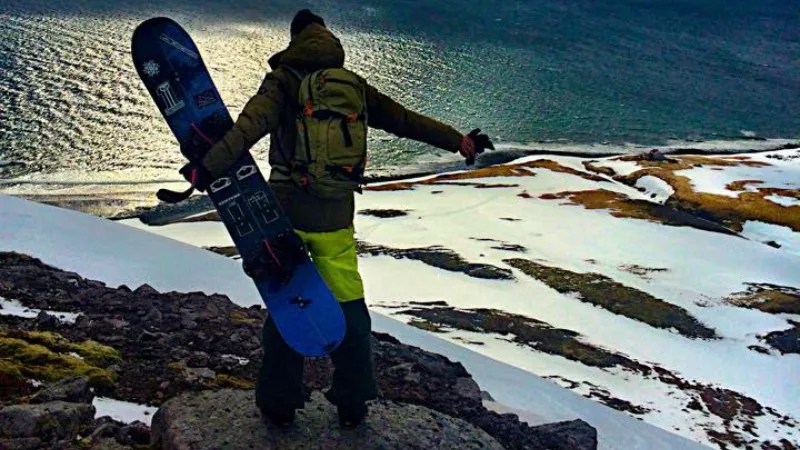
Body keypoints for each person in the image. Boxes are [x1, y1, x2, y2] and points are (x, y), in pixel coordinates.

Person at [178, 9, 494, 429]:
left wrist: (207, 168)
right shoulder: (353, 86)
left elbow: (248, 128)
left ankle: (279, 403)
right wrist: (459, 140)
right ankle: (353, 400)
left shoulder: (283, 81)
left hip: (286, 215)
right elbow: (404, 120)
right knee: (348, 306)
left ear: (294, 39)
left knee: (288, 303)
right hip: (335, 218)